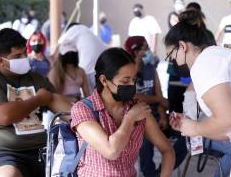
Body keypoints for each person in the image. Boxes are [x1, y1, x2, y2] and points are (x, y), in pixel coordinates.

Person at [164, 10, 231, 177]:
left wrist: (195, 127)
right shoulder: (216, 56)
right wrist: (191, 126)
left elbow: (227, 119)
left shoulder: (205, 62)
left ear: (183, 46)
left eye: (171, 56)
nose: (173, 63)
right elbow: (229, 131)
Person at [71, 47, 175, 177]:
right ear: (104, 81)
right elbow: (111, 151)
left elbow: (167, 150)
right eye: (125, 81)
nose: (132, 85)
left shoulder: (139, 110)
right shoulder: (83, 109)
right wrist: (130, 118)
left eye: (134, 80)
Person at [0, 28, 71, 177]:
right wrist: (38, 100)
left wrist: (85, 120)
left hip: (42, 150)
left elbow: (63, 108)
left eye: (25, 53)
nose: (24, 58)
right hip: (2, 153)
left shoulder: (35, 78)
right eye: (18, 56)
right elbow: (4, 116)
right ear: (0, 60)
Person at [125, 36, 168, 176]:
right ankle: (150, 173)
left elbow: (159, 95)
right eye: (146, 48)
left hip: (155, 113)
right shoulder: (126, 73)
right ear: (136, 52)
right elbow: (134, 97)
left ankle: (161, 171)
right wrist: (158, 100)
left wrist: (162, 115)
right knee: (144, 143)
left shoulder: (151, 68)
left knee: (184, 139)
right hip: (137, 117)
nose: (149, 51)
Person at [58, 23, 106, 91]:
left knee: (91, 96)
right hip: (103, 66)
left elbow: (60, 42)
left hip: (90, 68)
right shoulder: (87, 31)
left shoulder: (75, 28)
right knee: (100, 95)